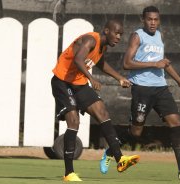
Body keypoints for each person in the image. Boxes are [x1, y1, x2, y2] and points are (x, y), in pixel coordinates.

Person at [99, 6, 180, 181]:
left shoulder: (160, 36)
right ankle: (110, 151)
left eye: (156, 19)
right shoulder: (137, 36)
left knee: (175, 122)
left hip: (161, 88)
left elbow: (164, 63)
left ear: (159, 20)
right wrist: (154, 65)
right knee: (136, 132)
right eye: (149, 19)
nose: (153, 23)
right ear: (143, 20)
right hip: (142, 89)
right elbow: (126, 63)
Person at [51, 19, 140, 182]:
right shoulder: (91, 40)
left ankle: (120, 160)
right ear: (106, 31)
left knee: (102, 112)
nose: (119, 37)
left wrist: (119, 78)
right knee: (73, 122)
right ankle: (68, 173)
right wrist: (91, 78)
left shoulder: (102, 47)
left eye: (121, 34)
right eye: (117, 33)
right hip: (62, 82)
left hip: (79, 83)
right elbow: (78, 59)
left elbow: (101, 64)